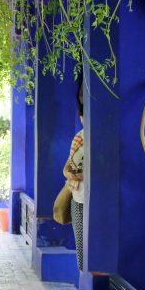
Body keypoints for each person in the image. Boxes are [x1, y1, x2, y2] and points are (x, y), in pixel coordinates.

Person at [63, 106, 85, 271]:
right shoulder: (80, 138)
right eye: (82, 117)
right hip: (77, 197)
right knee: (81, 243)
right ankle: (84, 281)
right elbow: (66, 167)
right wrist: (71, 175)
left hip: (97, 201)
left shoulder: (103, 138)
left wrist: (86, 175)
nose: (83, 120)